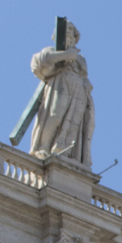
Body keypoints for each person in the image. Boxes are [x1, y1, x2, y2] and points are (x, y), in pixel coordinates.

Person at [29, 24, 95, 163]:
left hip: (78, 89)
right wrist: (65, 55)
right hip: (60, 83)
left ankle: (67, 153)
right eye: (66, 30)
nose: (69, 33)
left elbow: (84, 75)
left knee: (75, 122)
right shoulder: (52, 50)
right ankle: (44, 147)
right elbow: (39, 62)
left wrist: (86, 83)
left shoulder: (81, 59)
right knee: (55, 115)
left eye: (71, 30)